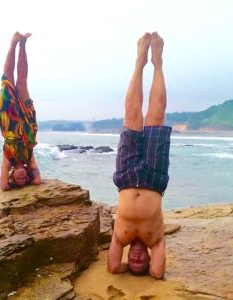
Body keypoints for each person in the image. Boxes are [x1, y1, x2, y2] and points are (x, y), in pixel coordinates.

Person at [108, 32, 171, 279]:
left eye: (131, 262)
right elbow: (157, 273)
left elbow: (113, 267)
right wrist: (149, 268)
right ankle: (157, 61)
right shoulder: (154, 240)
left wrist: (125, 270)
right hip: (154, 180)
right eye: (140, 262)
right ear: (148, 258)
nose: (135, 259)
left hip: (125, 177)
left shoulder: (119, 238)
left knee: (131, 114)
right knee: (156, 114)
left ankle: (139, 61)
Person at [0, 32, 42, 190]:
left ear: (12, 177)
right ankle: (23, 44)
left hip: (9, 119)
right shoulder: (29, 159)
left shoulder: (8, 159)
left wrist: (9, 183)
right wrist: (31, 177)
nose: (22, 178)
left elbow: (3, 186)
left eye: (19, 180)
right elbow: (37, 180)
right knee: (22, 81)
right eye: (25, 179)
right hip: (28, 123)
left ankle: (13, 43)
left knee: (8, 79)